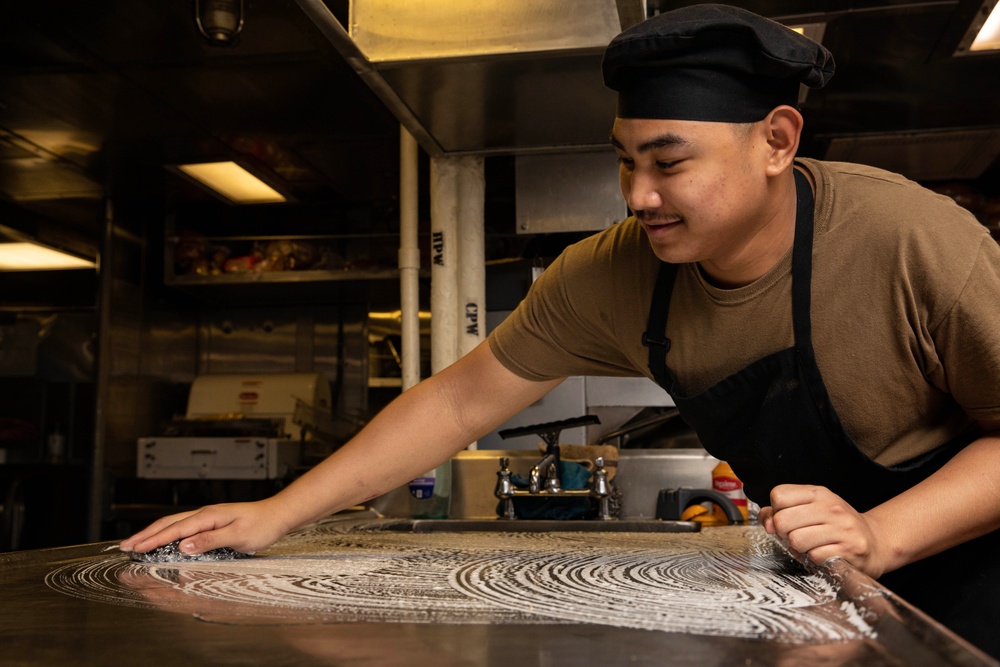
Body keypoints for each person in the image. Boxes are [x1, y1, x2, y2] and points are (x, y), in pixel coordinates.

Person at [122, 3, 1000, 657]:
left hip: (972, 577)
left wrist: (882, 537)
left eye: (668, 162)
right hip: (823, 592)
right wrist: (279, 514)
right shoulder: (615, 270)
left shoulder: (910, 241)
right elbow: (462, 397)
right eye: (623, 161)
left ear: (776, 138)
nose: (637, 195)